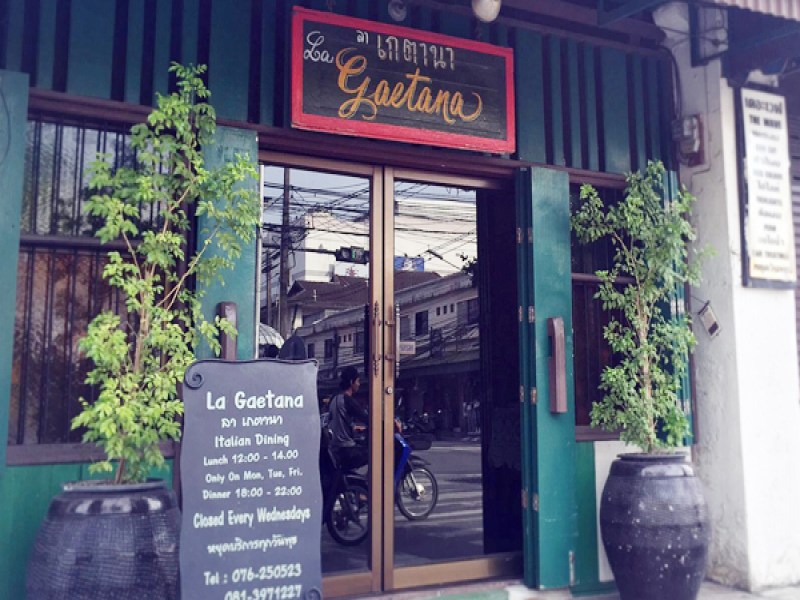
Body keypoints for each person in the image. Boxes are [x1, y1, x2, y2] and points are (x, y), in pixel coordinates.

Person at [327, 366, 369, 472]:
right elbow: (367, 418)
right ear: (351, 382)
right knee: (376, 454)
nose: (359, 384)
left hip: (335, 449)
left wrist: (354, 427)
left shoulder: (334, 399)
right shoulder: (348, 401)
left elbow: (337, 420)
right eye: (358, 381)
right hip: (347, 450)